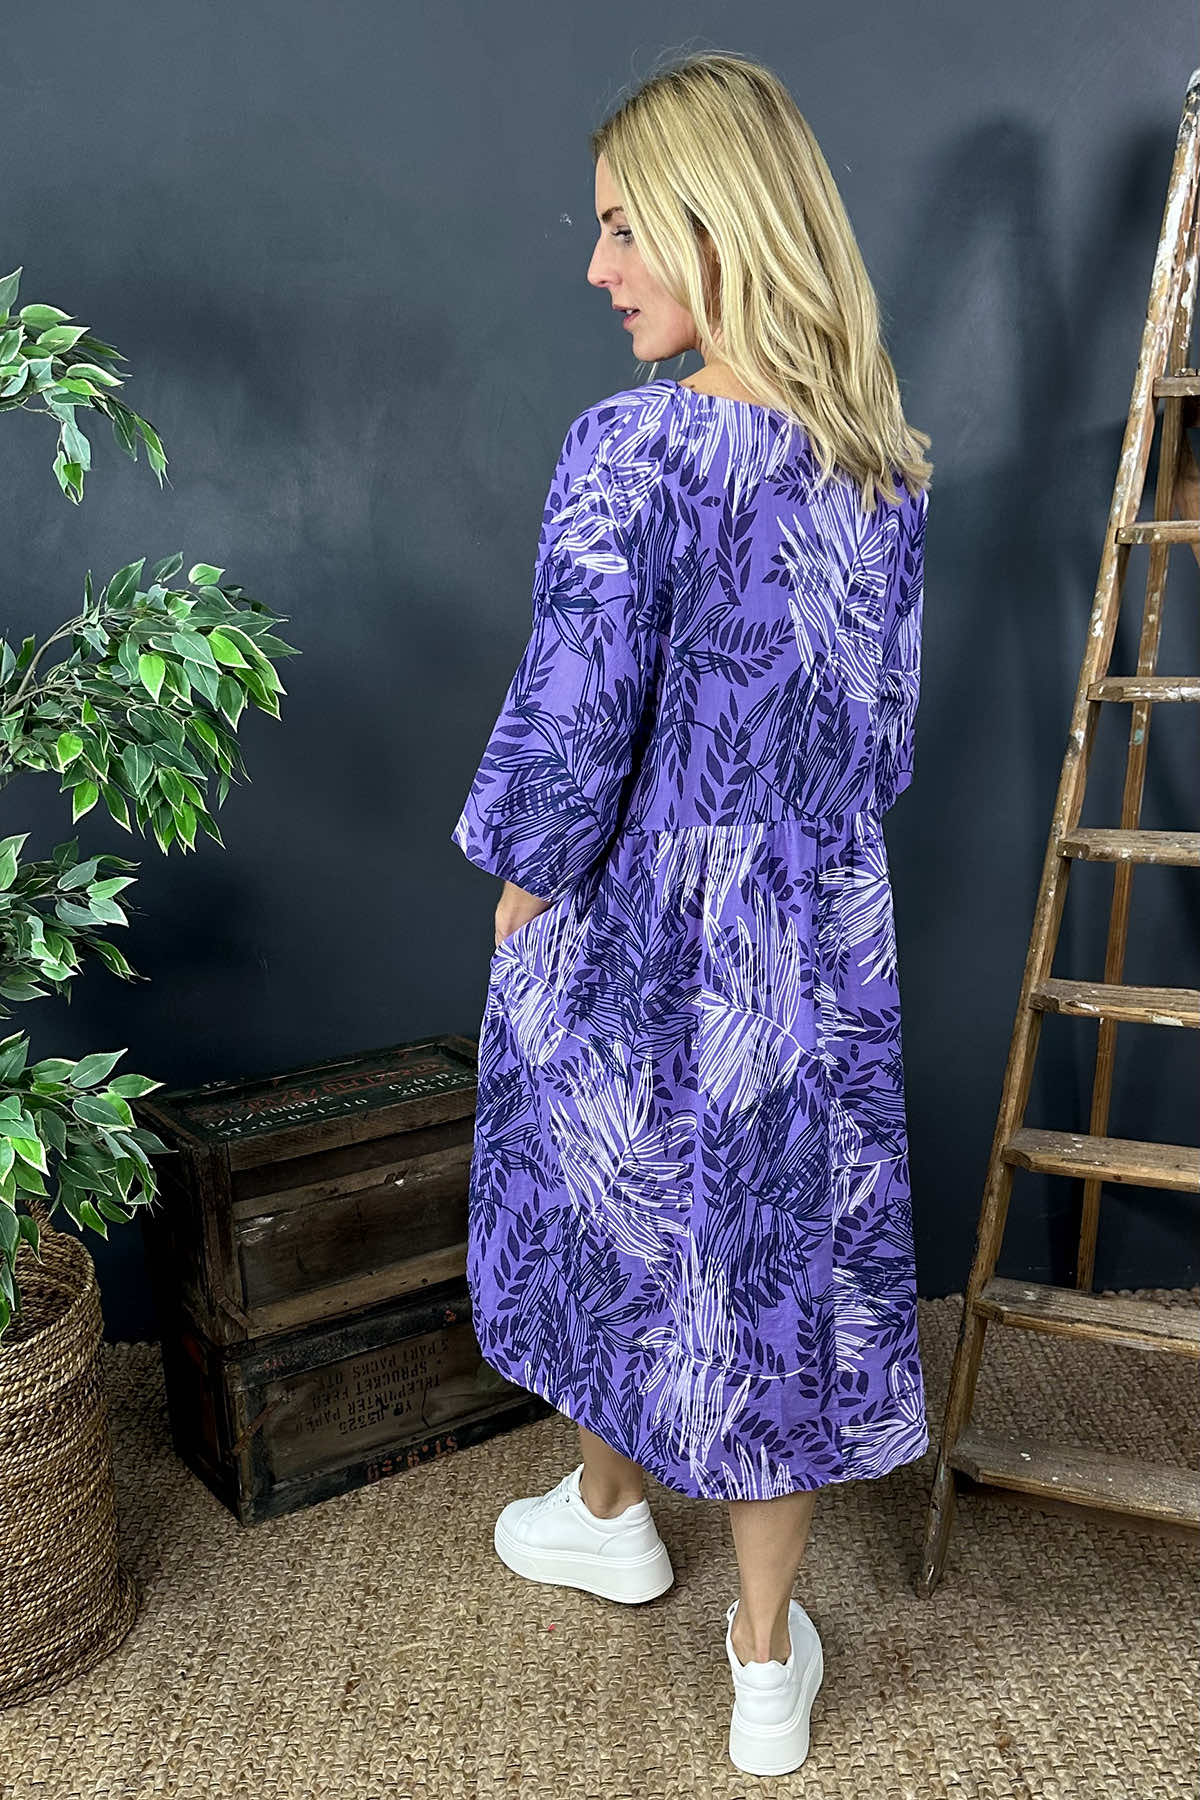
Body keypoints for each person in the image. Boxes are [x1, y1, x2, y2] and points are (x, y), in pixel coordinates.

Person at [450, 48, 933, 1779]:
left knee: (607, 1187)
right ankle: (756, 1658)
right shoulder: (884, 467)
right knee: (772, 1264)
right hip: (818, 931)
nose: (598, 267)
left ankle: (610, 1515)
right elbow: (883, 738)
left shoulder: (629, 449)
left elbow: (574, 723)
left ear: (717, 222)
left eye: (621, 226)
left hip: (647, 906)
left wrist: (522, 891)